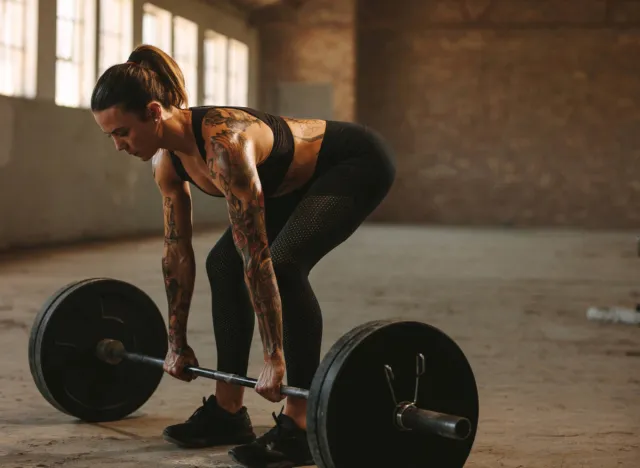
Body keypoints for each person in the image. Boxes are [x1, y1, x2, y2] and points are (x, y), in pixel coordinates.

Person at [90, 44, 396, 468]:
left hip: (351, 164)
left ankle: (300, 424)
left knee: (285, 265)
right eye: (111, 136)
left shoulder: (224, 145)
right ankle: (228, 411)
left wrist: (275, 359)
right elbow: (177, 252)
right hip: (291, 183)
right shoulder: (166, 163)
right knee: (221, 264)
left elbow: (257, 258)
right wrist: (175, 342)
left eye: (122, 132)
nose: (119, 145)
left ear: (155, 112)